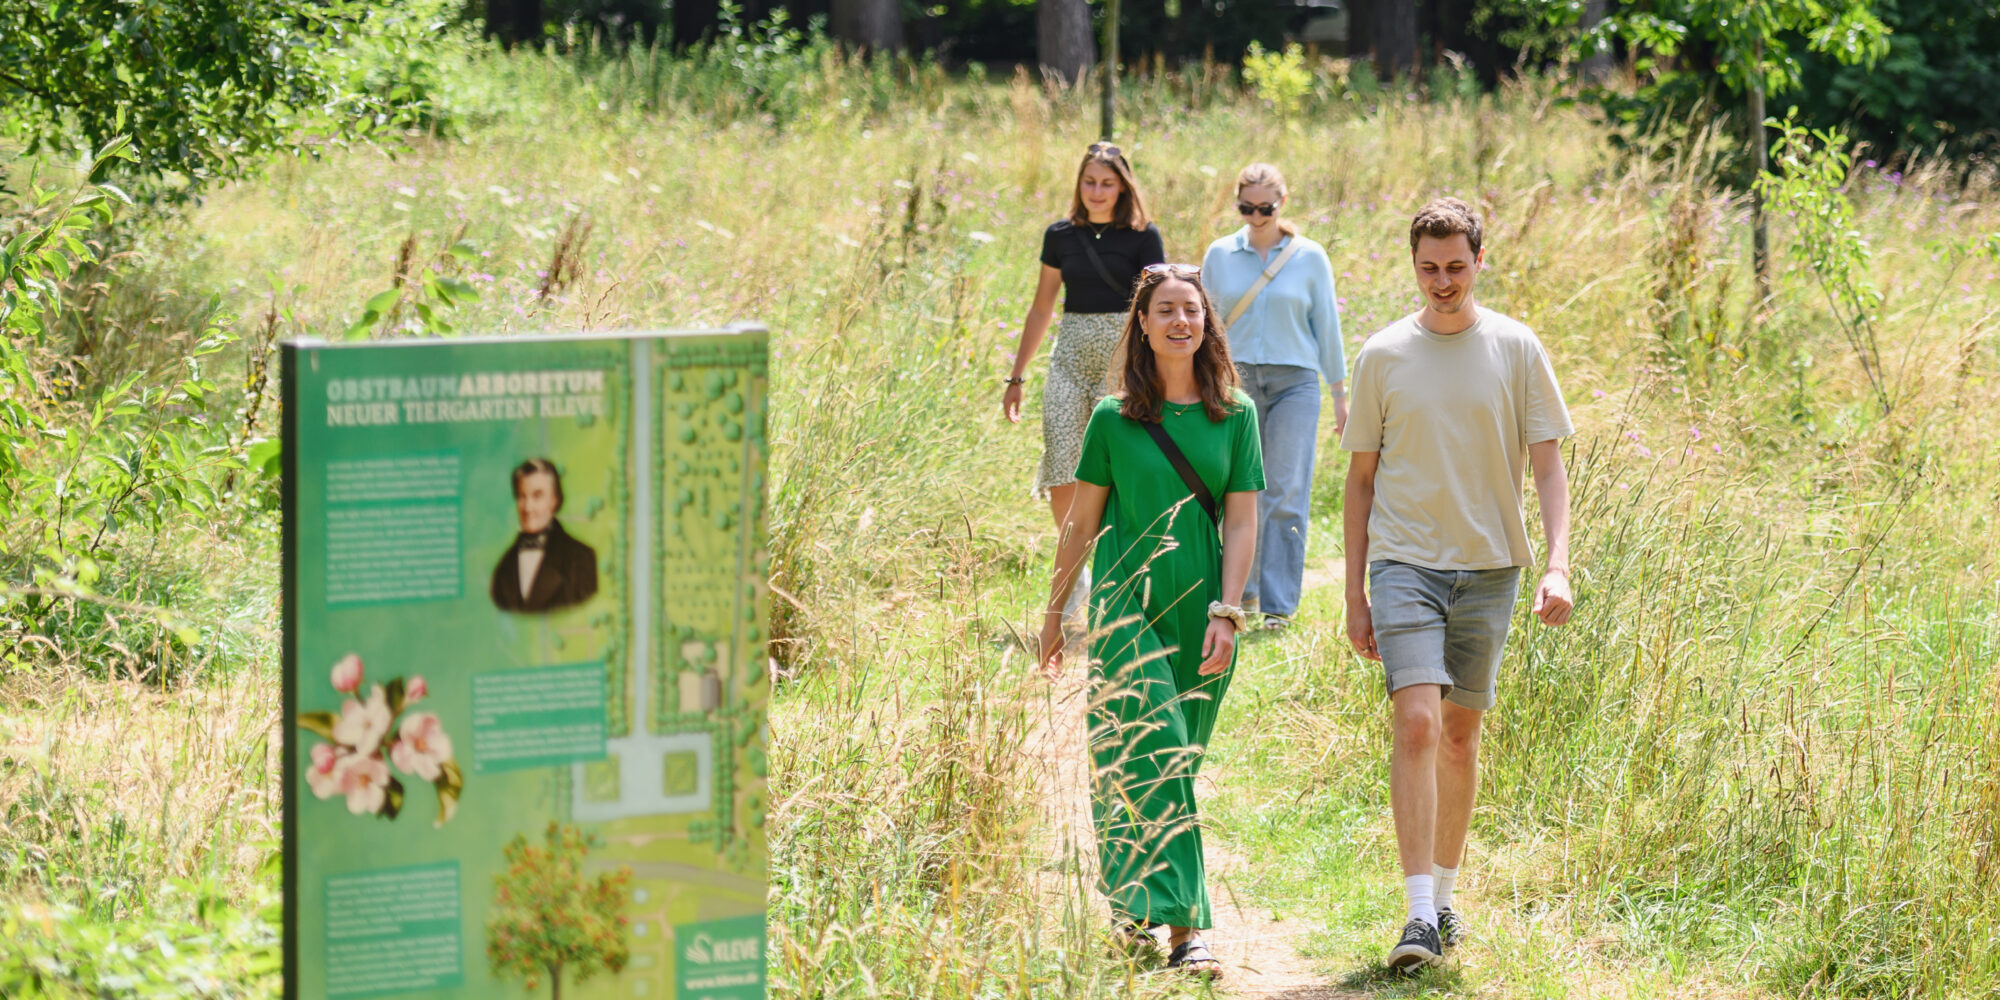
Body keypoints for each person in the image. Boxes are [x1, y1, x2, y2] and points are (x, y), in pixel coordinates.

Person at [1339, 198, 1574, 970]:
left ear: (1480, 261)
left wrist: (1557, 562)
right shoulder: (1382, 355)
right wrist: (1353, 592)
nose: (1443, 281)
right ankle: (1415, 919)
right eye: (1429, 268)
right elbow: (1360, 481)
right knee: (1417, 726)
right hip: (1404, 562)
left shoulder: (1515, 346)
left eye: (1456, 266)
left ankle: (1443, 897)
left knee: (1463, 734)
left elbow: (1547, 464)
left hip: (1491, 566)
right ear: (1413, 267)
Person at [1037, 264, 1263, 979]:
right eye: (1164, 310)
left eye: (1191, 311)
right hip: (1125, 604)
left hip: (1201, 604)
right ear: (1141, 322)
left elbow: (1243, 517)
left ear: (1206, 324)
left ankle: (1130, 917)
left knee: (1171, 766)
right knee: (1144, 752)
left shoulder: (1237, 416)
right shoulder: (1112, 418)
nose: (1178, 322)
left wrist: (1228, 612)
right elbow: (1080, 524)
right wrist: (1054, 613)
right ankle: (1185, 930)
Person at [1200, 163, 1345, 632]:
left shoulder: (1310, 257)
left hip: (1295, 382)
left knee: (1286, 490)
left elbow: (1327, 327)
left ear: (1283, 202)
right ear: (1237, 202)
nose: (1257, 215)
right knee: (1240, 491)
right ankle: (1239, 593)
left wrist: (1340, 396)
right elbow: (1205, 325)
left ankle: (1278, 607)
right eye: (1247, 207)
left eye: (1266, 207)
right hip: (1235, 383)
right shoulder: (1220, 255)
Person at [1002, 141, 1166, 531]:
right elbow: (1042, 307)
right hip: (1070, 359)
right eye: (1089, 182)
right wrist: (1016, 377)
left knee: (1116, 464)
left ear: (1123, 187)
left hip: (1122, 360)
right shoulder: (1059, 236)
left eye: (1107, 184)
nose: (1096, 192)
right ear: (1078, 185)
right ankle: (1074, 573)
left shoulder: (1143, 236)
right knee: (1061, 461)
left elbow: (1158, 305)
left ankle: (1116, 560)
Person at [490, 458, 599, 614]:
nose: (528, 507)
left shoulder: (582, 560)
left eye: (537, 496)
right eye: (522, 496)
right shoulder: (503, 569)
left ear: (555, 500)